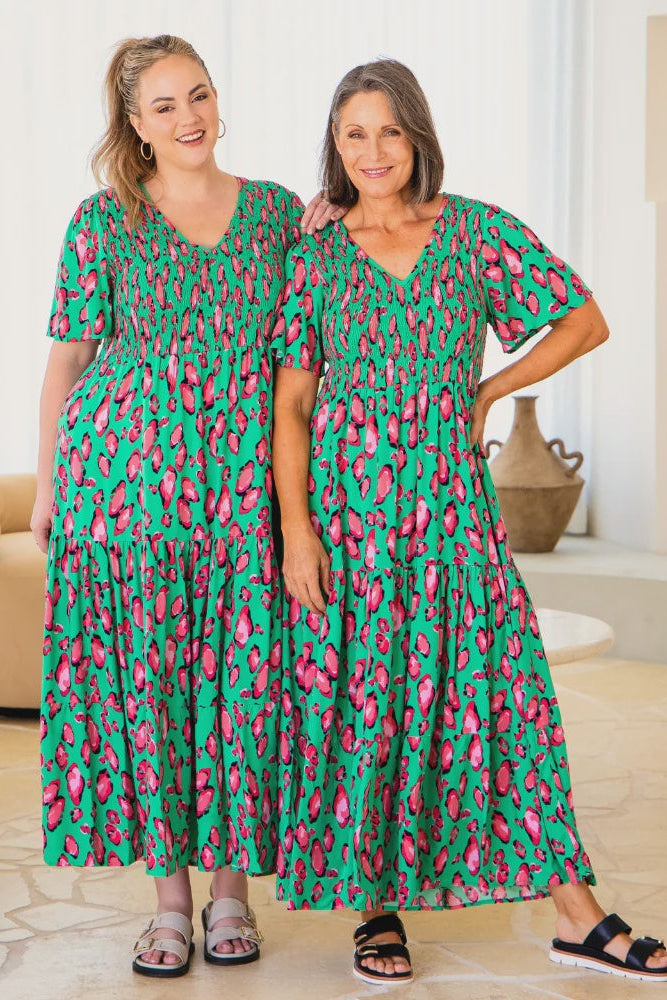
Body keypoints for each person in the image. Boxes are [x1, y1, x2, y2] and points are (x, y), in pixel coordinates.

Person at [271, 58, 667, 987]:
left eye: (389, 131)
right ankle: (373, 907)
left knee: (505, 699)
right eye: (354, 133)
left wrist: (488, 389)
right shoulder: (314, 255)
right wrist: (297, 533)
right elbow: (291, 405)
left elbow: (584, 321)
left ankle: (576, 916)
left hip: (451, 513)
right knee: (364, 707)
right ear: (335, 144)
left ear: (418, 137)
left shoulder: (474, 231)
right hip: (349, 519)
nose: (373, 151)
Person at [32, 33, 339, 978]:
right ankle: (169, 904)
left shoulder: (278, 213)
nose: (189, 117)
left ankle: (231, 895)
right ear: (135, 124)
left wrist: (342, 216)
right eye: (164, 105)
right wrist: (49, 483)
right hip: (128, 494)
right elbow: (69, 361)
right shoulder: (104, 220)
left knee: (246, 688)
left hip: (243, 496)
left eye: (198, 95)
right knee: (154, 691)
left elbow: (318, 328)